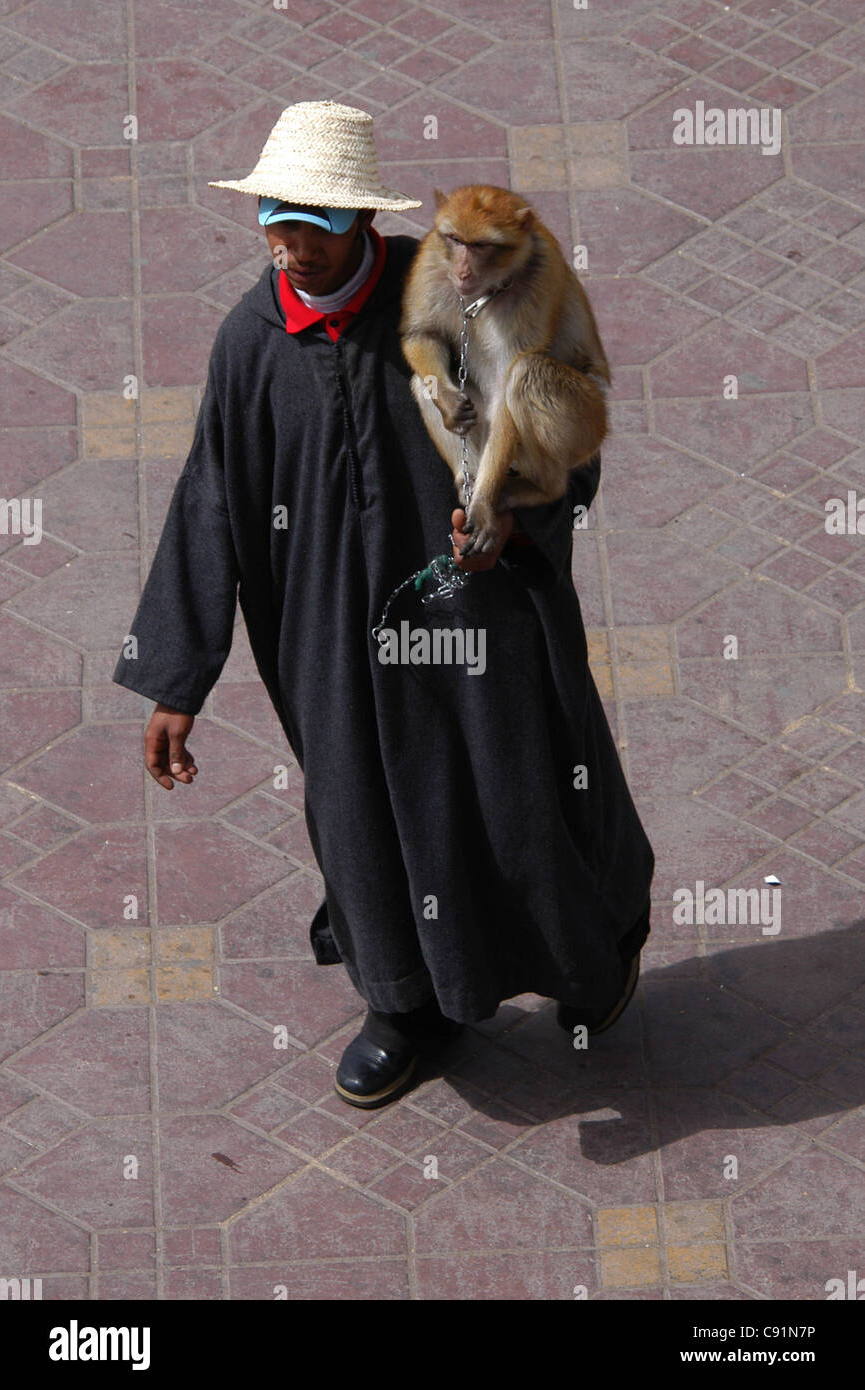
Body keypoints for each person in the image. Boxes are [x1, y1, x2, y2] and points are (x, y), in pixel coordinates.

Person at [113, 101, 654, 1109]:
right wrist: (175, 678)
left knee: (522, 793)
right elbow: (211, 502)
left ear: (362, 219)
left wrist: (510, 521)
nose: (290, 244)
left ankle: (599, 951)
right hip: (331, 644)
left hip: (475, 620)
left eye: (313, 223)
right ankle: (406, 1004)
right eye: (275, 218)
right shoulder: (251, 343)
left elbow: (558, 430)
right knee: (361, 814)